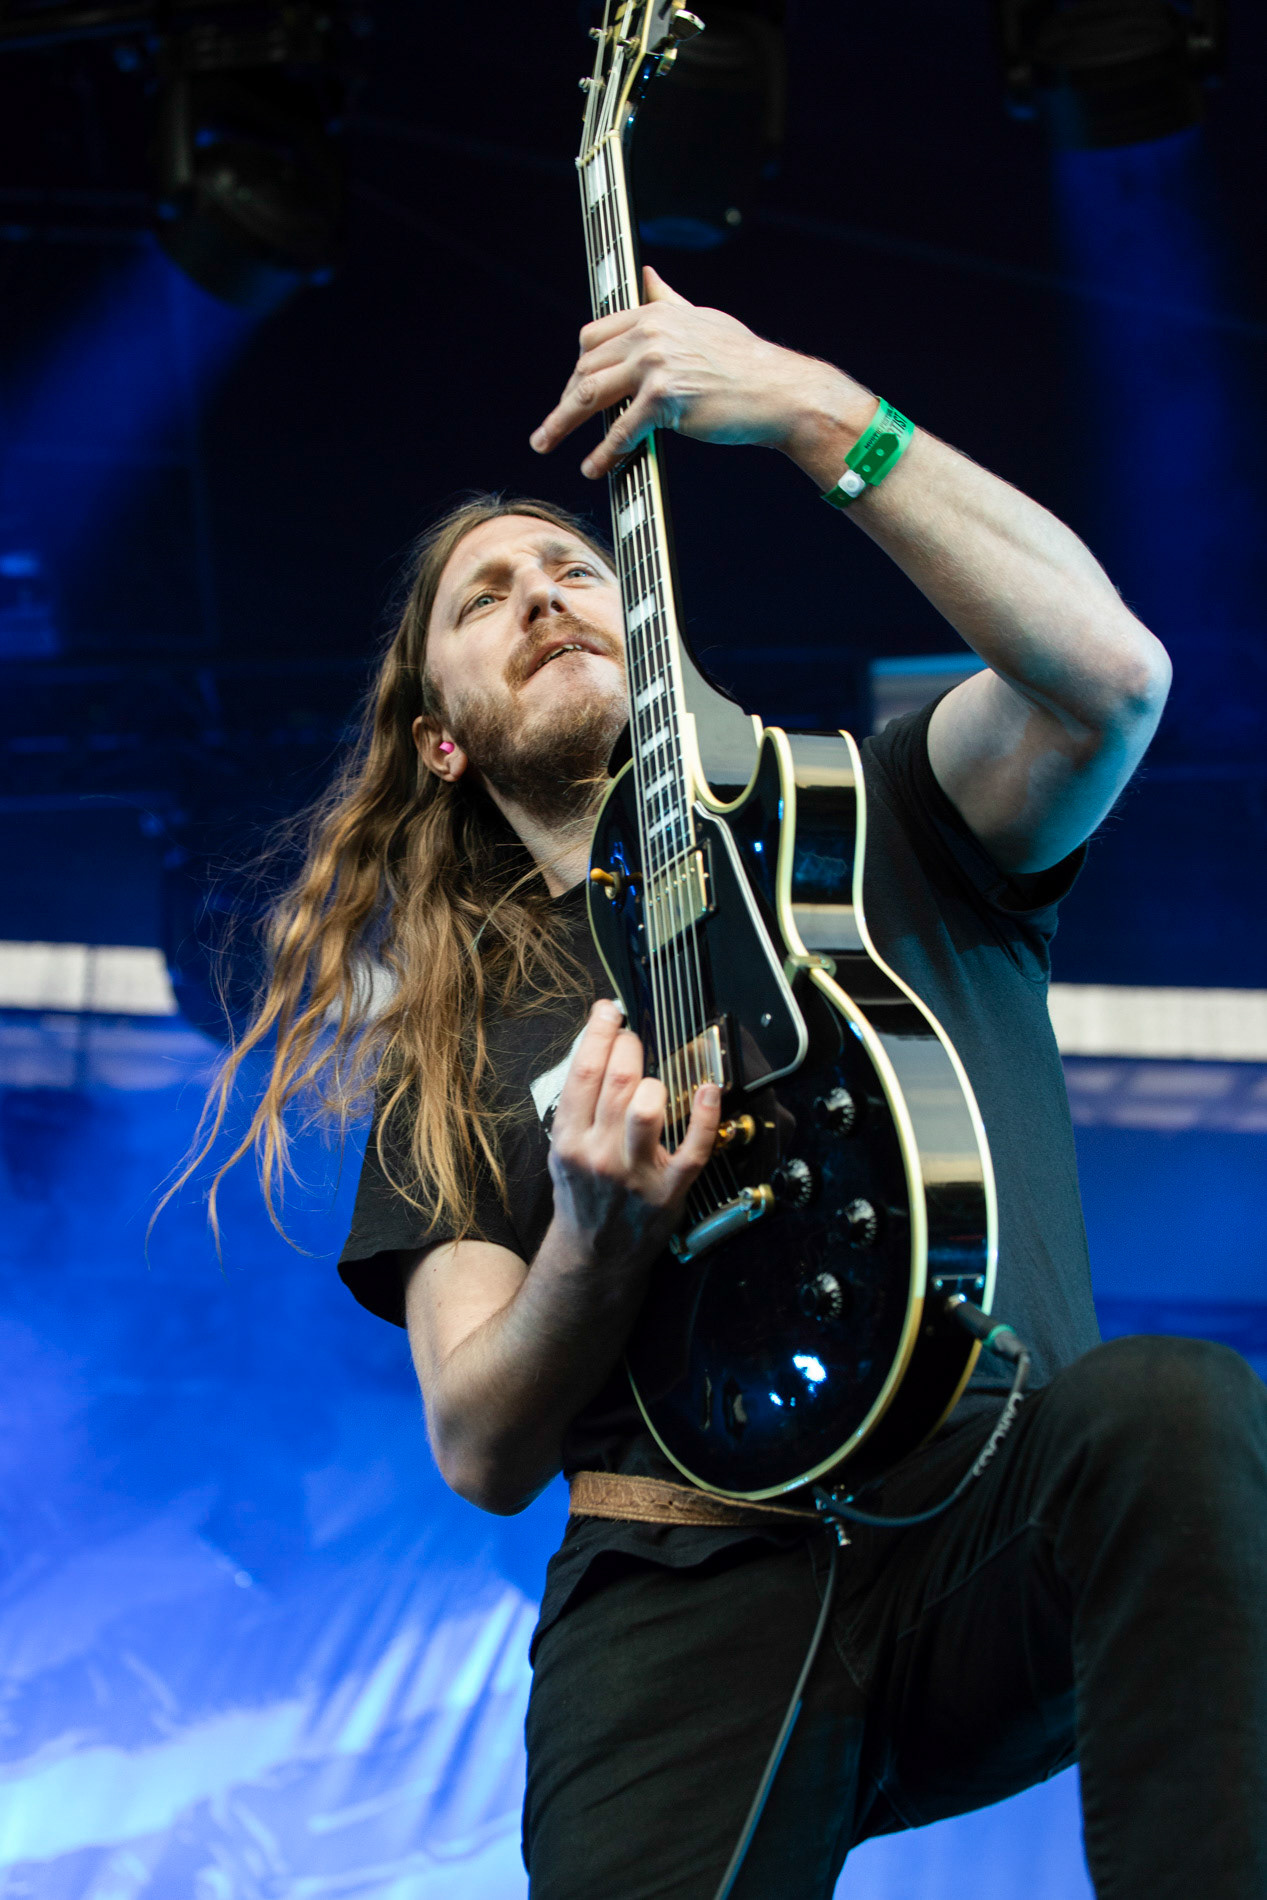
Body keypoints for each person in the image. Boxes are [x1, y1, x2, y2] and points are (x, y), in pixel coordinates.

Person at [221, 268, 1266, 1898]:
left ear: (644, 622)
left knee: (1176, 1415)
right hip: (685, 1594)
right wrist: (592, 1233)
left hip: (990, 1513)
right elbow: (480, 1441)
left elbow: (1111, 679)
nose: (545, 594)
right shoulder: (460, 1049)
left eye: (572, 565)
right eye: (487, 599)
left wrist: (802, 404)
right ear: (443, 739)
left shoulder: (871, 827)